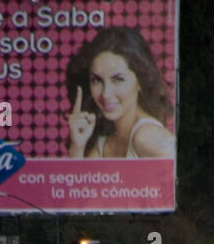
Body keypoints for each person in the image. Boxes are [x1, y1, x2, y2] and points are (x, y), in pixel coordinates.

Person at [66, 27, 174, 161]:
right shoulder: (102, 143)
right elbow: (79, 181)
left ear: (141, 81)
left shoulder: (147, 136)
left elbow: (177, 173)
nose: (105, 94)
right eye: (97, 80)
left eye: (118, 80)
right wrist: (77, 147)